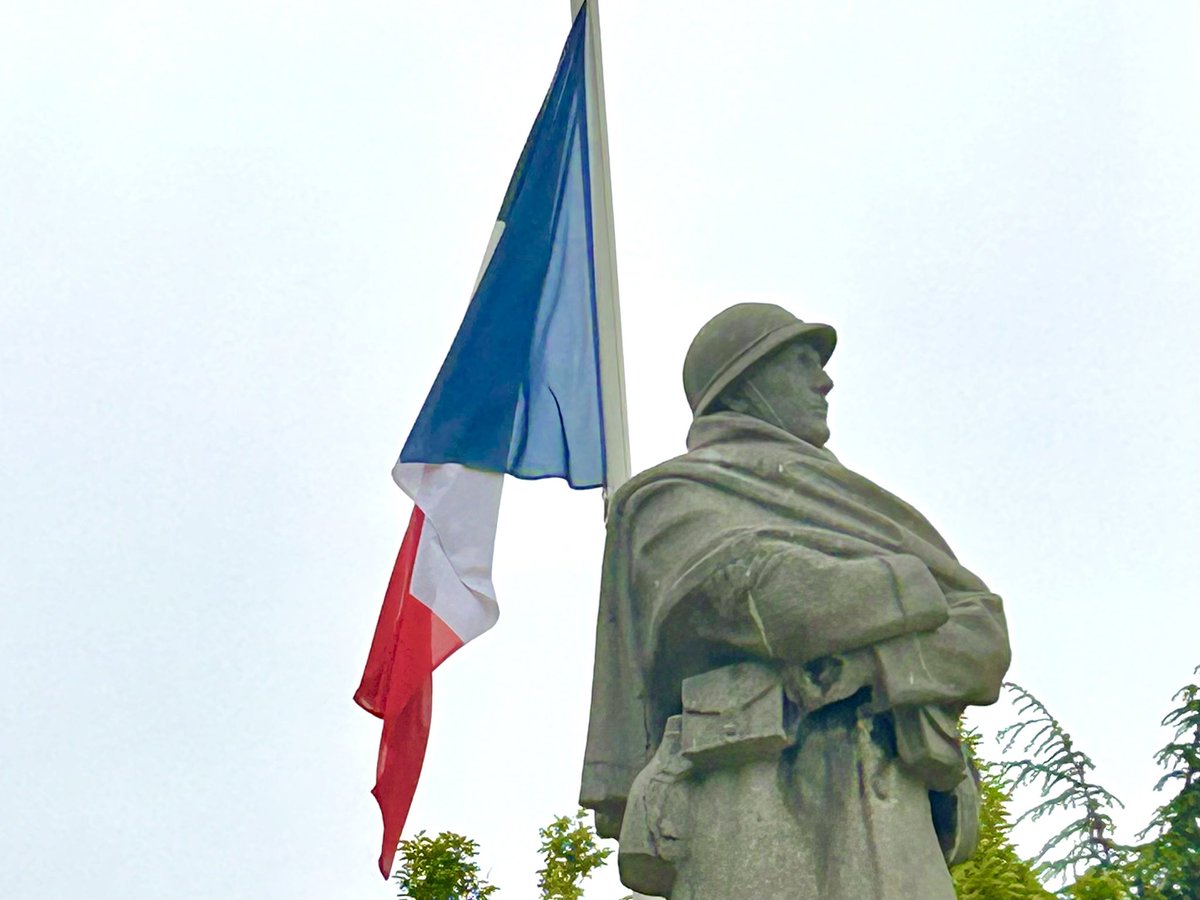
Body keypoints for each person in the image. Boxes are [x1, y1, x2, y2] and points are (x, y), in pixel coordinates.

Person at [580, 303, 1012, 900]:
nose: (824, 381)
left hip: (895, 806)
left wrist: (862, 665)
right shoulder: (673, 497)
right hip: (747, 800)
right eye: (802, 361)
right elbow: (765, 597)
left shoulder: (862, 505)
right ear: (744, 381)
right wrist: (913, 586)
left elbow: (983, 634)